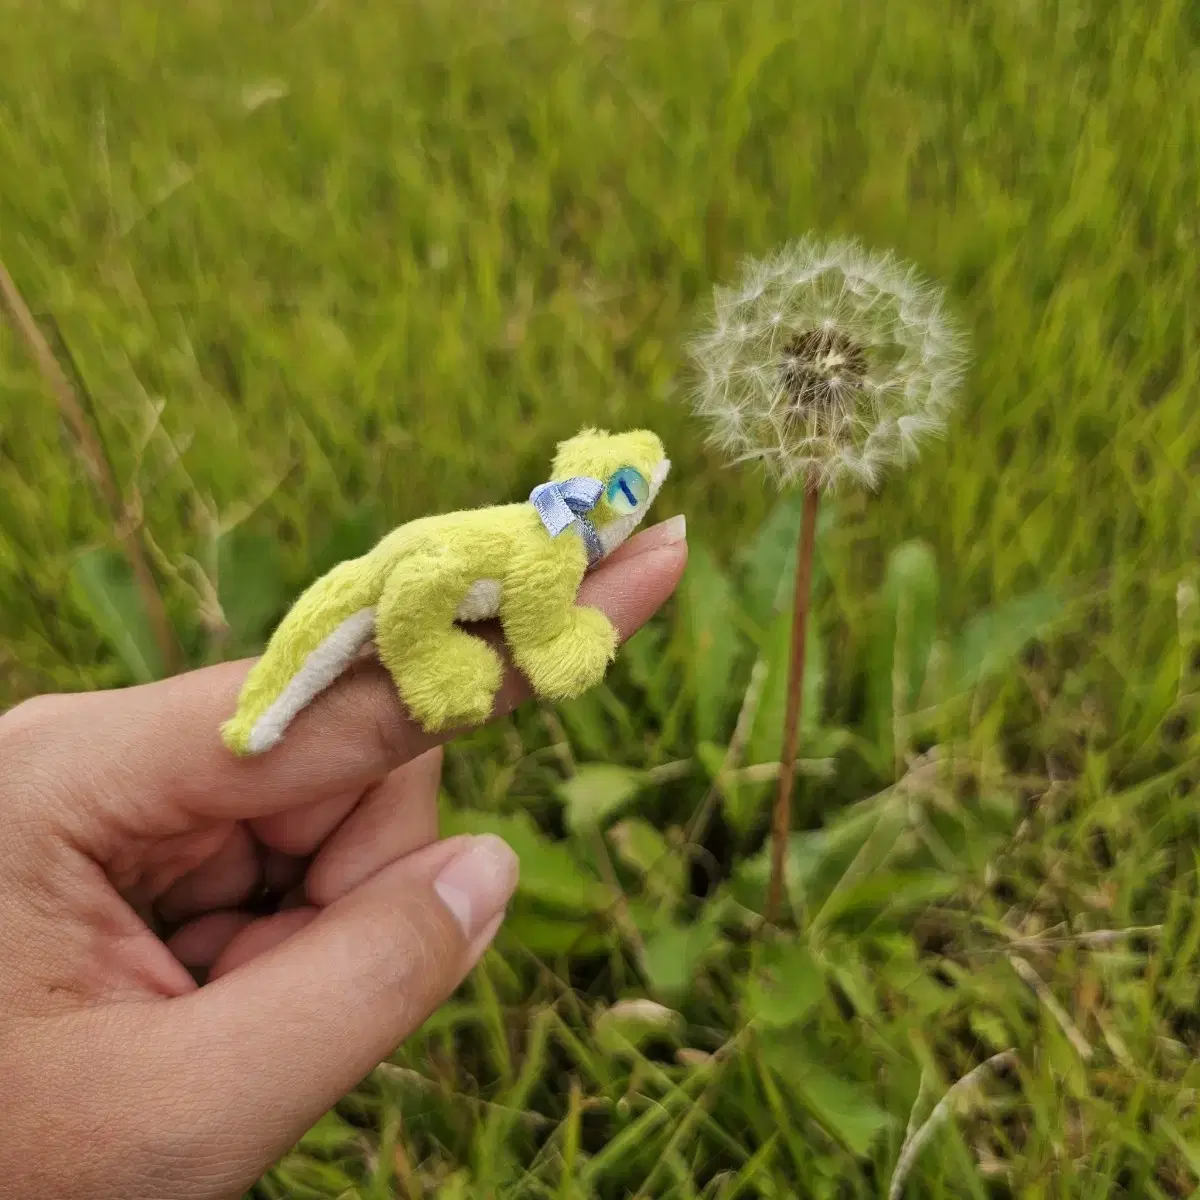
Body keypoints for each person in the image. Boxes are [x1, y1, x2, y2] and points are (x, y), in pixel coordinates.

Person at [0, 516, 687, 1199]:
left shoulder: (556, 534)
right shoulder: (546, 547)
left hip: (408, 582)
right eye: (619, 496)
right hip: (406, 590)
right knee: (294, 711)